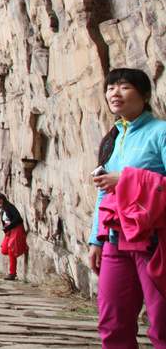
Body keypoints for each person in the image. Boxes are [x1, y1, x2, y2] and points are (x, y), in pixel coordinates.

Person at [89, 67, 166, 348]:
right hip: (115, 240)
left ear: (144, 95)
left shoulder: (161, 132)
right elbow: (102, 192)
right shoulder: (112, 139)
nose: (114, 93)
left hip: (153, 240)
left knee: (162, 323)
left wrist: (124, 179)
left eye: (124, 86)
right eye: (110, 87)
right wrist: (95, 239)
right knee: (112, 322)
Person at [0, 193, 27, 280]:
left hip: (16, 228)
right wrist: (6, 229)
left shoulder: (10, 207)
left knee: (11, 249)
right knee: (4, 250)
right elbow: (5, 222)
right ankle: (18, 248)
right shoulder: (2, 209)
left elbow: (18, 219)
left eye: (0, 199)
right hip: (9, 231)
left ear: (4, 199)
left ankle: (12, 273)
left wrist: (9, 227)